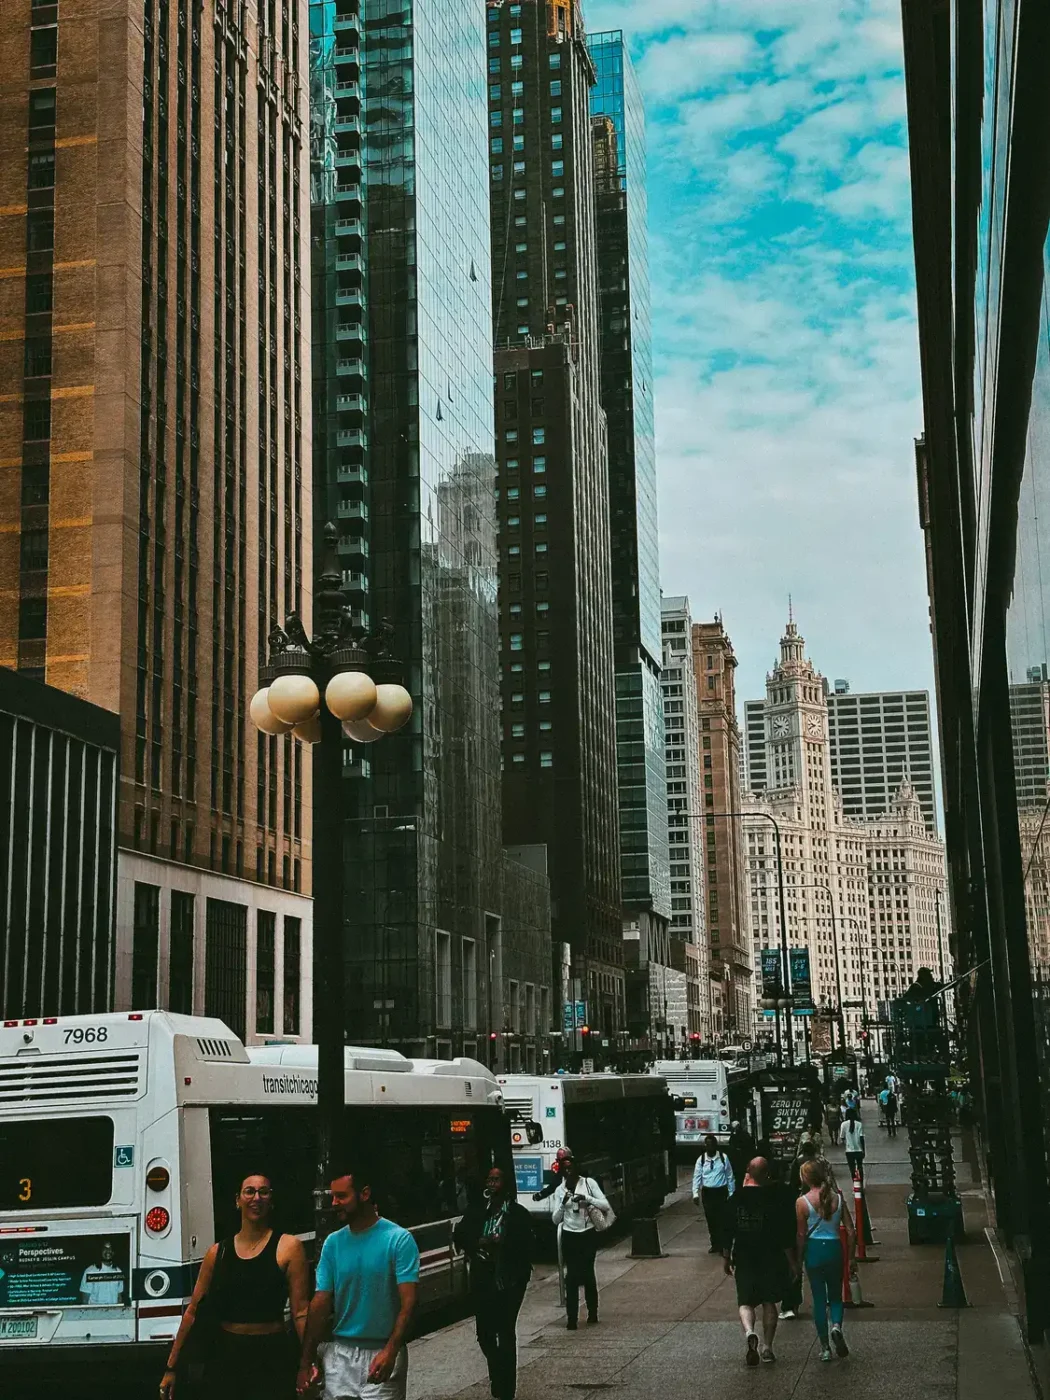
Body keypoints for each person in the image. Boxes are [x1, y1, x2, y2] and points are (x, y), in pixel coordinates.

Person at [160, 1171, 310, 1400]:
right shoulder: (217, 1253)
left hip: (272, 1356)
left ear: (272, 1201)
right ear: (237, 1200)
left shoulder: (289, 1247)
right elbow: (193, 1312)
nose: (256, 1198)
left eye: (263, 1192)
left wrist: (307, 1362)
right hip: (226, 1357)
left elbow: (300, 1312)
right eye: (249, 1191)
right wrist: (172, 1367)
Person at [297, 1167, 420, 1400]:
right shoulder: (333, 1244)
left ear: (364, 1194)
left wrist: (391, 1350)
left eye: (342, 1196)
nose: (334, 1203)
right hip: (340, 1356)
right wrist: (306, 1362)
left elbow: (409, 1302)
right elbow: (321, 1302)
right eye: (332, 1196)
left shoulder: (398, 1239)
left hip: (381, 1352)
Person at [454, 1165, 533, 1400]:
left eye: (497, 1180)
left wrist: (502, 1245)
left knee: (506, 1331)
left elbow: (526, 1247)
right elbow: (460, 1235)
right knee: (484, 1333)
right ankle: (499, 1371)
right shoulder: (478, 1210)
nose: (492, 1184)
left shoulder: (517, 1214)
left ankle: (505, 1389)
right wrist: (479, 1242)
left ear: (506, 1185)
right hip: (483, 1279)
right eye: (489, 1179)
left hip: (510, 1281)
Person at [723, 1157, 797, 1366]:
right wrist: (792, 1262)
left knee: (745, 1301)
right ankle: (768, 1347)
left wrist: (726, 1256)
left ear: (748, 1171)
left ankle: (749, 1332)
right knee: (769, 1301)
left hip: (744, 1255)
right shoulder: (774, 1198)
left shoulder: (736, 1198)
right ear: (766, 1174)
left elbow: (726, 1230)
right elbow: (784, 1234)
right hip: (770, 1255)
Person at [796, 1160, 856, 1362]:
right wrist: (852, 1257)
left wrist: (798, 1259)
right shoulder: (838, 1199)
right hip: (834, 1249)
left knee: (819, 1299)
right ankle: (837, 1326)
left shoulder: (802, 1202)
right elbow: (850, 1230)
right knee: (836, 1296)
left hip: (814, 1250)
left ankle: (825, 1348)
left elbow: (801, 1235)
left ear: (806, 1178)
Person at [551, 1151, 613, 1330]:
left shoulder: (588, 1183)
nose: (569, 1172)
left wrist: (586, 1198)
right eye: (565, 1169)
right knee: (571, 1277)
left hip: (587, 1233)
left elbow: (605, 1205)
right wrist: (563, 1203)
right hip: (570, 1235)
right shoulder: (559, 1190)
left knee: (587, 1273)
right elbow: (555, 1219)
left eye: (571, 1168)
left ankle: (593, 1312)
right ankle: (572, 1318)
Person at [691, 1134, 736, 1254]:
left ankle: (723, 1245)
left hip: (721, 1192)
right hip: (708, 1192)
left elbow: (729, 1176)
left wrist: (731, 1193)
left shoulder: (723, 1158)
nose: (709, 1147)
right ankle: (714, 1243)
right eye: (707, 1145)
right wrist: (695, 1194)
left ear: (715, 1145)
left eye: (712, 1144)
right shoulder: (701, 1160)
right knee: (711, 1219)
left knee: (722, 1219)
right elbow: (697, 1177)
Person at [79, 1239, 124, 1306]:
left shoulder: (118, 1271)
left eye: (110, 1248)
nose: (108, 1251)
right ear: (100, 1251)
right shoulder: (90, 1271)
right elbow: (85, 1300)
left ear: (114, 1252)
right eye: (105, 1248)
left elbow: (119, 1297)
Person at [839, 1107, 865, 1184]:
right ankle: (861, 1183)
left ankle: (855, 1184)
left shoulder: (843, 1124)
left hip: (849, 1150)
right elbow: (861, 1138)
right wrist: (863, 1150)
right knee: (860, 1167)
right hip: (859, 1149)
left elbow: (842, 1137)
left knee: (852, 1169)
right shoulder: (859, 1124)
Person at [727, 1121, 756, 1187]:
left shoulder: (743, 1135)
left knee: (741, 1175)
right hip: (738, 1159)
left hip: (742, 1158)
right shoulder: (736, 1135)